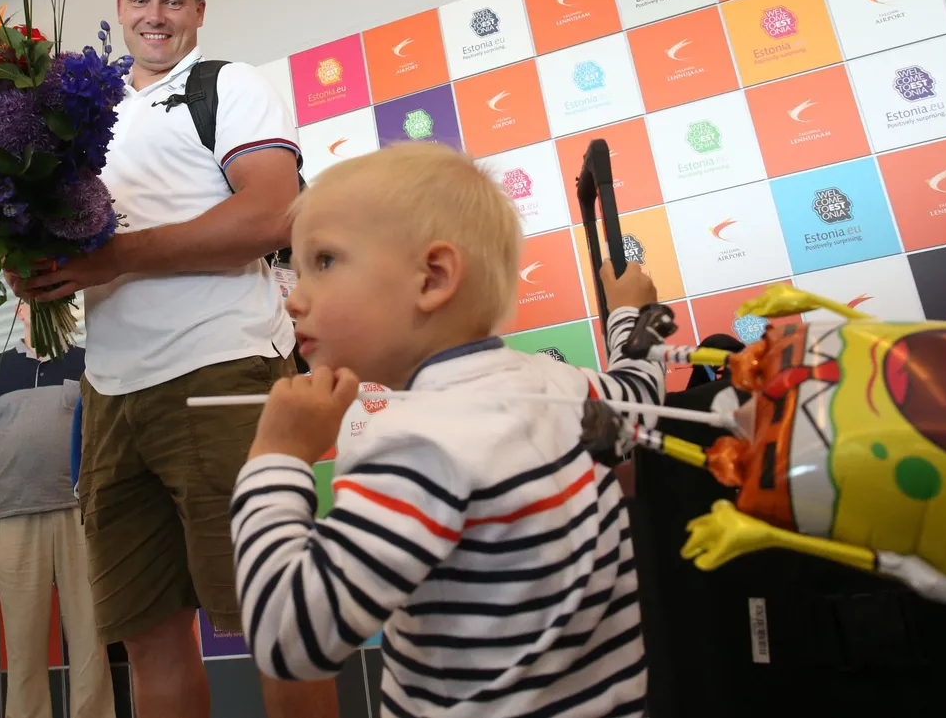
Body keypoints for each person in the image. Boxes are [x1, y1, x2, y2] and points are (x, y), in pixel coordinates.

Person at [9, 0, 336, 718]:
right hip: (111, 393)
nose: (156, 14)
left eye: (175, 2)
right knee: (149, 637)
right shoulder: (79, 119)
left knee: (275, 616)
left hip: (220, 369)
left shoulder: (227, 84)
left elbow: (268, 216)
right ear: (119, 10)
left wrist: (109, 258)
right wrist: (37, 267)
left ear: (198, 14)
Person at [230, 144, 662, 718]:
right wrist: (633, 314)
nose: (296, 300)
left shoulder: (417, 448)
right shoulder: (559, 386)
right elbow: (641, 395)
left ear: (433, 277)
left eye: (325, 261)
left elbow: (290, 638)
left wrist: (277, 456)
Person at [0, 304, 115, 718]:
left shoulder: (89, 362)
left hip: (80, 516)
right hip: (14, 519)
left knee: (90, 638)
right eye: (34, 298)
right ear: (20, 308)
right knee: (23, 644)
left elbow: (108, 435)